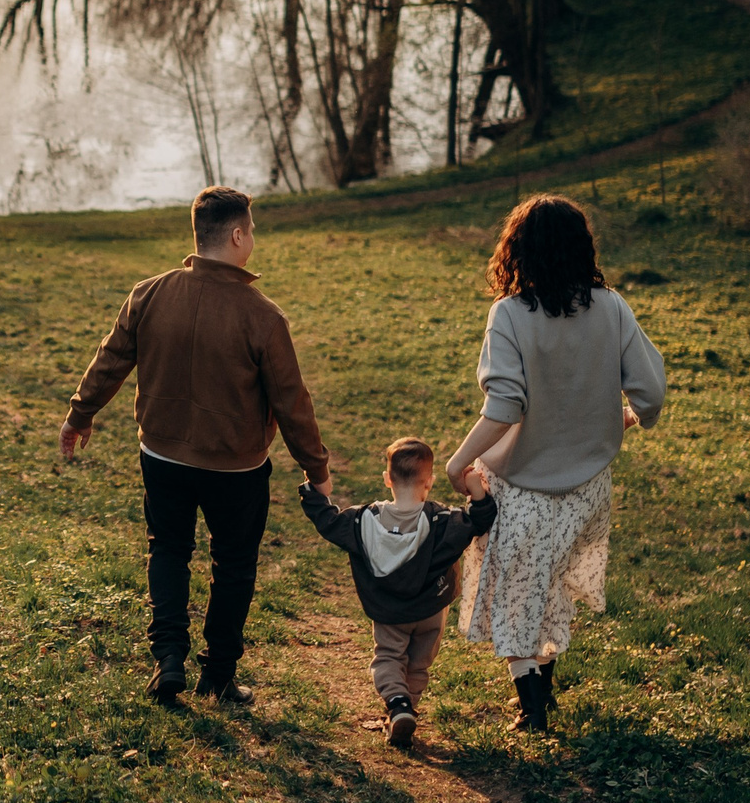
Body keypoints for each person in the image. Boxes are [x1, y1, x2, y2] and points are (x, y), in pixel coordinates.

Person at [61, 186, 330, 705]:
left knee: (167, 551)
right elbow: (292, 400)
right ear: (235, 235)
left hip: (162, 456)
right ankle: (219, 675)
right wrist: (316, 468)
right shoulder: (263, 316)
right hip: (238, 469)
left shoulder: (150, 292)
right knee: (233, 565)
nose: (253, 237)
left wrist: (80, 414)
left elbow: (111, 358)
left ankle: (168, 660)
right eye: (251, 229)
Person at [443, 194, 665, 734]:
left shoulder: (511, 315)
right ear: (580, 247)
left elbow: (505, 407)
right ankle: (543, 695)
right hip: (588, 488)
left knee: (517, 591)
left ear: (517, 250)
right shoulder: (611, 307)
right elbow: (651, 394)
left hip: (522, 485)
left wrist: (458, 462)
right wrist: (625, 418)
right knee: (552, 585)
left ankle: (533, 708)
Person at [299, 437, 496, 749]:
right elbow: (479, 520)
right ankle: (407, 710)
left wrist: (312, 491)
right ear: (429, 482)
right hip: (431, 610)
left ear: (387, 479)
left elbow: (327, 521)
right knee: (418, 664)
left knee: (389, 656)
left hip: (389, 612)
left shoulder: (363, 521)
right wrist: (477, 490)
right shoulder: (443, 522)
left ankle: (398, 705)